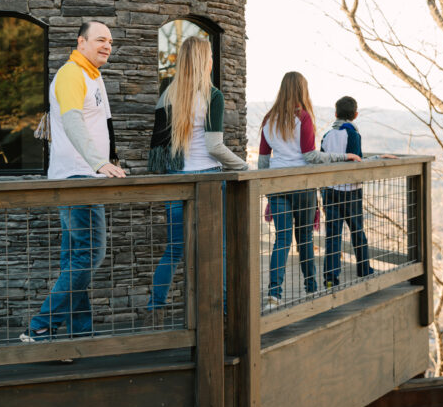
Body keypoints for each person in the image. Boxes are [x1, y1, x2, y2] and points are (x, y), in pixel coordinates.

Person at [21, 21, 126, 343]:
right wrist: (99, 163)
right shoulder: (71, 73)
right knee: (90, 254)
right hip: (77, 177)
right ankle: (41, 324)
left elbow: (100, 126)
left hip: (84, 175)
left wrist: (111, 160)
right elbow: (71, 120)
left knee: (76, 258)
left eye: (109, 41)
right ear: (81, 42)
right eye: (99, 40)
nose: (106, 45)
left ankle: (82, 333)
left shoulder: (93, 75)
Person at [145, 37, 246, 323]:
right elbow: (215, 147)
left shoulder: (168, 93)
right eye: (211, 55)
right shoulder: (212, 95)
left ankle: (155, 309)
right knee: (219, 248)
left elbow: (160, 148)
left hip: (177, 180)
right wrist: (244, 167)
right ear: (206, 60)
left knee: (175, 248)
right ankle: (223, 312)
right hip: (210, 181)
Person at [258, 72, 361, 308]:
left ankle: (274, 295)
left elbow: (263, 161)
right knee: (304, 239)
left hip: (276, 185)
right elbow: (310, 156)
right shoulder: (302, 117)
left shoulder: (268, 119)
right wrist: (344, 156)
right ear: (301, 91)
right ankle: (312, 290)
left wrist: (268, 189)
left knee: (281, 240)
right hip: (301, 185)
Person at [319, 96, 375, 288]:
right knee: (357, 230)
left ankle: (330, 276)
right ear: (355, 115)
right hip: (350, 190)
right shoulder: (352, 134)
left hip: (329, 189)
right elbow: (356, 160)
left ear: (335, 114)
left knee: (333, 234)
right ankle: (364, 268)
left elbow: (322, 159)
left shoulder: (327, 135)